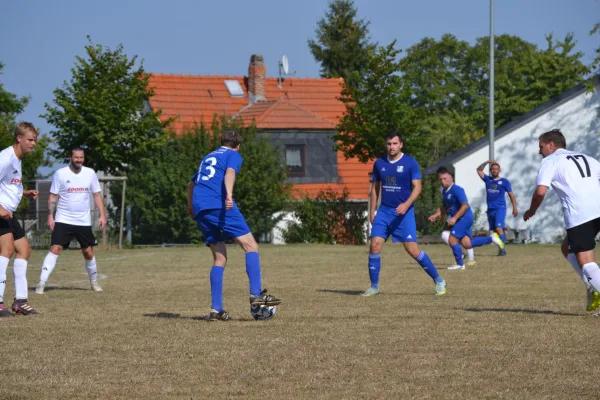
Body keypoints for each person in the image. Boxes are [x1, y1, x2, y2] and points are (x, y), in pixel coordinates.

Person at [188, 129, 281, 320]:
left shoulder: (208, 157)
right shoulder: (234, 155)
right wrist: (229, 195)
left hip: (200, 207)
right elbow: (230, 173)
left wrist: (191, 206)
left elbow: (191, 184)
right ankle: (256, 295)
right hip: (218, 204)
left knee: (220, 258)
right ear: (238, 145)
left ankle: (216, 310)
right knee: (251, 246)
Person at [524, 129, 600, 312]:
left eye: (541, 147)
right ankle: (591, 285)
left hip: (581, 215)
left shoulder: (550, 160)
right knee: (566, 247)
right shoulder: (588, 158)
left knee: (587, 263)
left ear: (551, 145)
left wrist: (532, 210)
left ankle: (593, 284)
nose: (539, 151)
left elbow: (541, 191)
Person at [362, 131, 446, 297]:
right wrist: (372, 211)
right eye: (389, 144)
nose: (391, 147)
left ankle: (439, 280)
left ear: (401, 144)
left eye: (395, 143)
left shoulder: (410, 163)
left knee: (413, 250)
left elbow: (418, 187)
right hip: (384, 211)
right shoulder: (379, 163)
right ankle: (374, 286)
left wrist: (406, 205)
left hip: (404, 213)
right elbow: (375, 189)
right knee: (375, 245)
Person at [34, 148, 106, 295]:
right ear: (70, 158)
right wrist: (50, 215)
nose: (78, 160)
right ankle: (41, 283)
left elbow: (97, 195)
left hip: (83, 221)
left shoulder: (90, 173)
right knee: (55, 249)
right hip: (63, 219)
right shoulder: (60, 173)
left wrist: (102, 215)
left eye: (81, 157)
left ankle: (94, 282)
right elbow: (53, 196)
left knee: (88, 252)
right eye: (76, 157)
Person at [428, 167, 504, 270]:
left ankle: (460, 265)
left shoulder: (457, 189)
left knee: (452, 240)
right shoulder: (445, 191)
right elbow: (445, 207)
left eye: (445, 178)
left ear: (452, 179)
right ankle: (492, 238)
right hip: (461, 219)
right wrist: (436, 215)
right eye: (440, 179)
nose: (442, 181)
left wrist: (454, 218)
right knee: (467, 244)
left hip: (464, 217)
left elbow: (465, 206)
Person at [0, 122, 40, 317]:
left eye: (35, 140)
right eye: (30, 140)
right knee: (6, 250)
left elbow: (8, 185)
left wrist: (24, 193)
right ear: (19, 139)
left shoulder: (18, 159)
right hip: (1, 212)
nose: (34, 144)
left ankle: (20, 301)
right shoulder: (6, 158)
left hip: (9, 212)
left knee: (24, 249)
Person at [476, 160, 519, 256]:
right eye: (493, 169)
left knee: (499, 227)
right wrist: (487, 162)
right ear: (490, 170)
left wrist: (515, 208)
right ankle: (500, 248)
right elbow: (479, 170)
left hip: (500, 208)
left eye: (496, 169)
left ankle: (503, 249)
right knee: (494, 230)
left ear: (499, 170)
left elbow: (511, 195)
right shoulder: (488, 180)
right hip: (490, 209)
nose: (495, 170)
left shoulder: (504, 181)